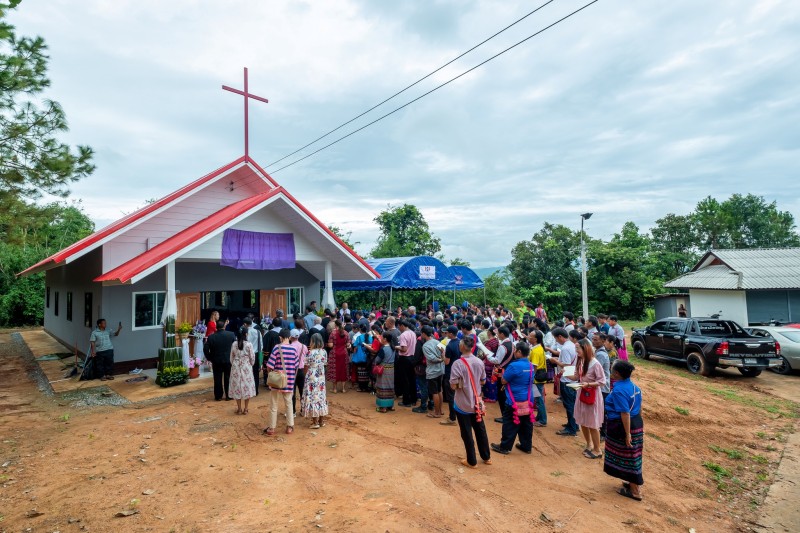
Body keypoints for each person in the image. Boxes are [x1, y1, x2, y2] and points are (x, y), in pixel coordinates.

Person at [604, 360, 644, 501]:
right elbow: (638, 408)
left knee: (630, 455)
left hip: (623, 425)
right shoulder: (634, 387)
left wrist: (627, 434)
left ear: (616, 373)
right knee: (632, 454)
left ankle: (635, 491)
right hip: (636, 422)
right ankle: (630, 482)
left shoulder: (619, 390)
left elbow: (625, 413)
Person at [450, 336, 492, 468]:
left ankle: (472, 461)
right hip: (477, 402)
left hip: (462, 403)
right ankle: (486, 457)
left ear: (461, 347)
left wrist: (464, 384)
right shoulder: (479, 362)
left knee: (466, 432)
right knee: (480, 429)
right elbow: (483, 381)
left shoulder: (457, 363)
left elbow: (453, 385)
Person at [491, 342, 537, 455]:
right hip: (528, 399)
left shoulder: (514, 366)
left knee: (510, 423)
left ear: (520, 352)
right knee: (526, 423)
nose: (515, 352)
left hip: (514, 400)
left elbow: (504, 381)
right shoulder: (531, 365)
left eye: (516, 350)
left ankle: (505, 447)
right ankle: (526, 446)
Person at [570, 338, 606, 459]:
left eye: (578, 349)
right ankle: (589, 444)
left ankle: (597, 450)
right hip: (582, 393)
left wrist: (588, 384)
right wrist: (564, 374)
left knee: (593, 423)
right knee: (583, 421)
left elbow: (602, 381)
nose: (576, 351)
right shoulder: (580, 361)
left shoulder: (595, 363)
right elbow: (576, 377)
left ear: (585, 348)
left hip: (592, 396)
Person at [263, 329, 299, 436]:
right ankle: (289, 427)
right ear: (289, 337)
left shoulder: (276, 348)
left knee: (274, 405)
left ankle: (272, 428)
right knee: (288, 403)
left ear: (280, 337)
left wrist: (271, 373)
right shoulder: (293, 350)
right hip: (289, 380)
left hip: (277, 381)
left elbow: (269, 365)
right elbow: (296, 365)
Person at [548, 328, 579, 436]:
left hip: (567, 377)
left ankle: (571, 428)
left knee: (569, 404)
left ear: (560, 337)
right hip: (574, 375)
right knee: (573, 402)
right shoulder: (573, 345)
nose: (557, 341)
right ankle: (574, 424)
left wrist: (555, 360)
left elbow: (565, 364)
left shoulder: (565, 348)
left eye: (556, 339)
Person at [301, 333, 329, 429]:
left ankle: (315, 422)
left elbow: (305, 365)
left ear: (312, 342)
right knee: (321, 397)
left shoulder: (310, 352)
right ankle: (321, 421)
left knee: (312, 397)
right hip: (321, 377)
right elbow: (325, 363)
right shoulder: (324, 352)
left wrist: (306, 376)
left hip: (312, 376)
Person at [204, 320, 236, 401]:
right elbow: (235, 347)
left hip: (216, 360)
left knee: (217, 379)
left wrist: (209, 358)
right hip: (228, 360)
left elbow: (206, 348)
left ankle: (218, 396)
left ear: (216, 327)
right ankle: (229, 396)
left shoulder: (211, 337)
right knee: (228, 377)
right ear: (224, 327)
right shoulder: (231, 334)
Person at [229, 326, 256, 415]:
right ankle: (246, 409)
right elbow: (252, 358)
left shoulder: (234, 344)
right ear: (246, 334)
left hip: (236, 366)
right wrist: (250, 364)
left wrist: (234, 364)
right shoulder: (249, 344)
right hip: (246, 366)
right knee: (247, 386)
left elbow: (231, 358)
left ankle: (239, 409)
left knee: (237, 386)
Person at [421, 325, 445, 417]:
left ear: (423, 334)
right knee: (439, 390)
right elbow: (444, 350)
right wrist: (442, 358)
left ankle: (437, 412)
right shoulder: (437, 341)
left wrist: (439, 359)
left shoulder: (425, 346)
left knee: (434, 392)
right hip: (440, 369)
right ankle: (440, 410)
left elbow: (431, 358)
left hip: (433, 371)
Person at [440, 325, 461, 426]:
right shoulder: (461, 342)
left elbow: (447, 362)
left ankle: (452, 418)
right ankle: (459, 415)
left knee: (451, 396)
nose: (446, 334)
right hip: (460, 372)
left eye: (447, 332)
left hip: (451, 372)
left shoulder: (449, 346)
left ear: (451, 334)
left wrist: (443, 355)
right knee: (458, 394)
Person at [593, 333, 612, 440]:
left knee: (602, 410)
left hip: (602, 387)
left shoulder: (600, 354)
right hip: (601, 385)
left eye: (596, 340)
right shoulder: (598, 352)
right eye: (593, 339)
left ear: (603, 341)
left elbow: (596, 371)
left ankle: (603, 433)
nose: (593, 341)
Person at [528, 330, 548, 427]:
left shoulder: (535, 351)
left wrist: (531, 378)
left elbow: (534, 367)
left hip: (536, 379)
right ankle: (540, 417)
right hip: (540, 376)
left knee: (539, 399)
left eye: (530, 336)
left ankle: (543, 420)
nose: (528, 337)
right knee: (539, 398)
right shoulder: (539, 348)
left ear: (535, 339)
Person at [396, 320, 418, 407]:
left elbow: (404, 349)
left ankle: (406, 401)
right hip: (412, 358)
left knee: (405, 380)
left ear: (402, 325)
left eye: (399, 326)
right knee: (412, 379)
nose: (399, 328)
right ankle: (413, 399)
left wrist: (396, 347)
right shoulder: (413, 333)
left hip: (404, 358)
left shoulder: (403, 335)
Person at [374, 332, 396, 413]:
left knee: (382, 386)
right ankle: (391, 405)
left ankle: (383, 407)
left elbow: (377, 360)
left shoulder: (383, 349)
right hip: (391, 369)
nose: (381, 339)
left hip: (383, 370)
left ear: (385, 339)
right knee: (390, 386)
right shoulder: (393, 348)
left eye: (382, 337)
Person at [327, 320, 350, 394]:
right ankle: (343, 389)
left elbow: (330, 345)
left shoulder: (333, 333)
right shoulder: (346, 333)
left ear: (335, 325)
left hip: (335, 354)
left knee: (335, 370)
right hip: (344, 353)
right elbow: (348, 344)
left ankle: (335, 389)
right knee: (343, 370)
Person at [289, 329, 309, 414]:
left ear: (291, 337)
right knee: (302, 391)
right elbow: (307, 359)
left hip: (292, 371)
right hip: (301, 370)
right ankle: (303, 409)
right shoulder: (304, 346)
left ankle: (292, 411)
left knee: (291, 392)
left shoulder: (290, 347)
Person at [243, 318, 263, 396]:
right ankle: (255, 390)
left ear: (245, 324)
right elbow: (261, 345)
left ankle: (247, 391)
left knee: (246, 373)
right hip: (256, 353)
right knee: (255, 374)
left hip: (246, 354)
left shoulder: (244, 332)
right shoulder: (258, 332)